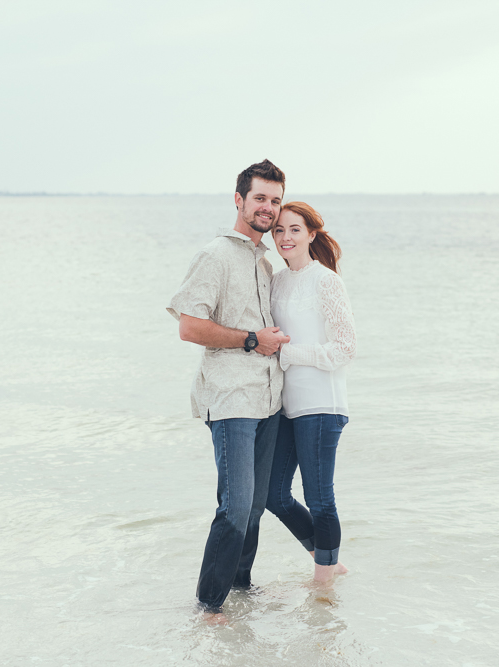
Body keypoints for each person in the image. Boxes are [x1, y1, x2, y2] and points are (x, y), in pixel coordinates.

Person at [166, 159, 290, 622]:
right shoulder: (215, 255)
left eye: (275, 200)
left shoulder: (264, 261)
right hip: (231, 399)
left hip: (268, 400)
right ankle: (208, 604)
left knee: (255, 507)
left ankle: (240, 589)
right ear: (239, 200)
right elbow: (190, 327)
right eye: (260, 198)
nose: (268, 208)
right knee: (235, 506)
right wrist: (252, 339)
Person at [265, 202, 356, 583]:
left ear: (311, 234)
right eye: (280, 230)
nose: (286, 237)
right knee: (273, 494)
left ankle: (322, 585)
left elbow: (345, 348)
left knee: (319, 498)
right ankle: (328, 562)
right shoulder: (277, 280)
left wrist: (288, 353)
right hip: (286, 406)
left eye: (295, 230)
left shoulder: (327, 281)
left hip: (322, 403)